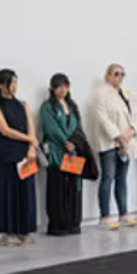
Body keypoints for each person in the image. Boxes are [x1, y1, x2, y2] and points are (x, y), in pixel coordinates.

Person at [0, 69, 38, 245]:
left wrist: (31, 147)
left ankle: (25, 230)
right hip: (7, 154)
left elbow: (31, 127)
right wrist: (30, 139)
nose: (15, 86)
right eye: (11, 82)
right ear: (1, 85)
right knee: (8, 191)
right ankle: (8, 232)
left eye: (16, 82)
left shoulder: (23, 104)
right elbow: (5, 130)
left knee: (27, 191)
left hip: (25, 154)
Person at [95, 63, 137, 230]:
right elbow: (102, 118)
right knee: (108, 177)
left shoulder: (127, 94)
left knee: (122, 179)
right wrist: (118, 136)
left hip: (127, 143)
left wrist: (130, 133)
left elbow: (136, 115)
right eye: (116, 74)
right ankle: (105, 216)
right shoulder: (101, 93)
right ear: (107, 76)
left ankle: (124, 213)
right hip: (110, 143)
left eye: (122, 74)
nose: (120, 77)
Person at [40, 73, 85, 236]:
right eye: (59, 86)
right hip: (57, 153)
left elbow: (79, 128)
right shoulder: (47, 107)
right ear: (52, 88)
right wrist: (68, 145)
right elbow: (52, 130)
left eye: (66, 86)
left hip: (73, 153)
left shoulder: (72, 106)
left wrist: (75, 144)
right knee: (57, 188)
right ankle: (58, 225)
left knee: (73, 188)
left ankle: (73, 223)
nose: (63, 89)